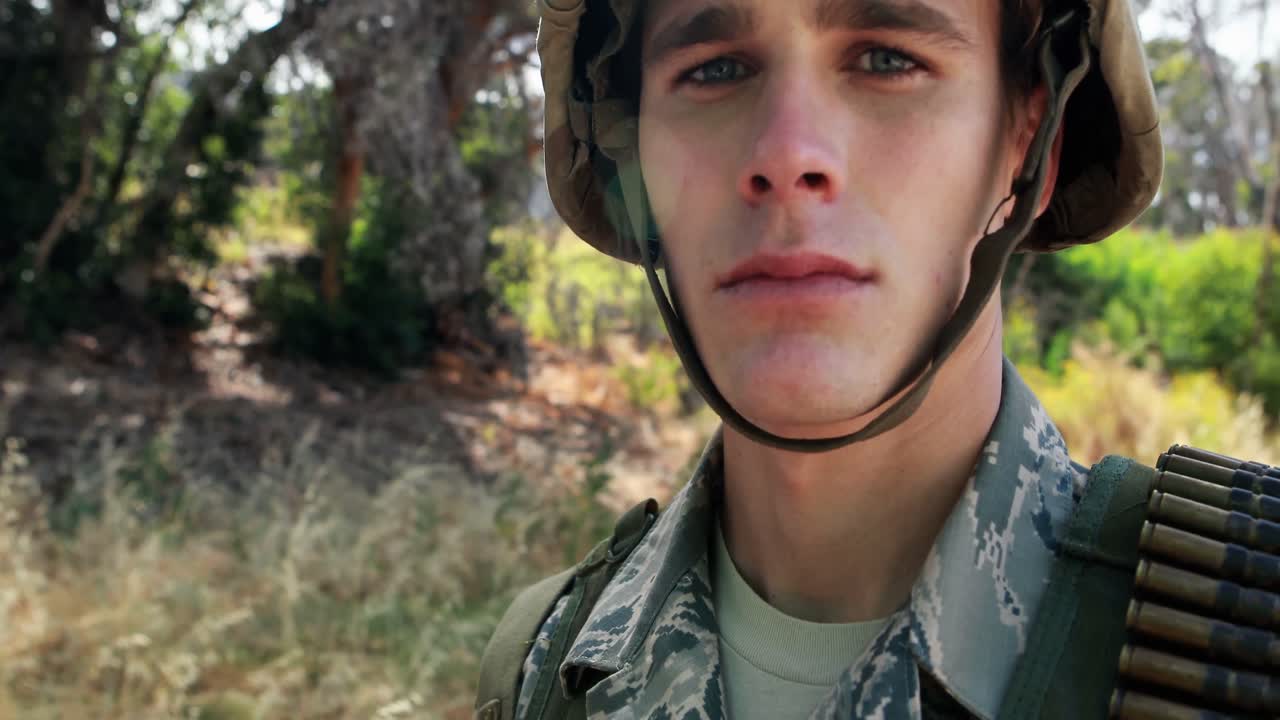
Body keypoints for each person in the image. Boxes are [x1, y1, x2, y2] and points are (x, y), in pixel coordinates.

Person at [472, 0, 1256, 717]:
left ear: (1027, 151)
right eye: (713, 69)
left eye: (886, 58)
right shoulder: (542, 670)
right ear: (633, 161)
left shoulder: (1241, 624)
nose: (786, 156)